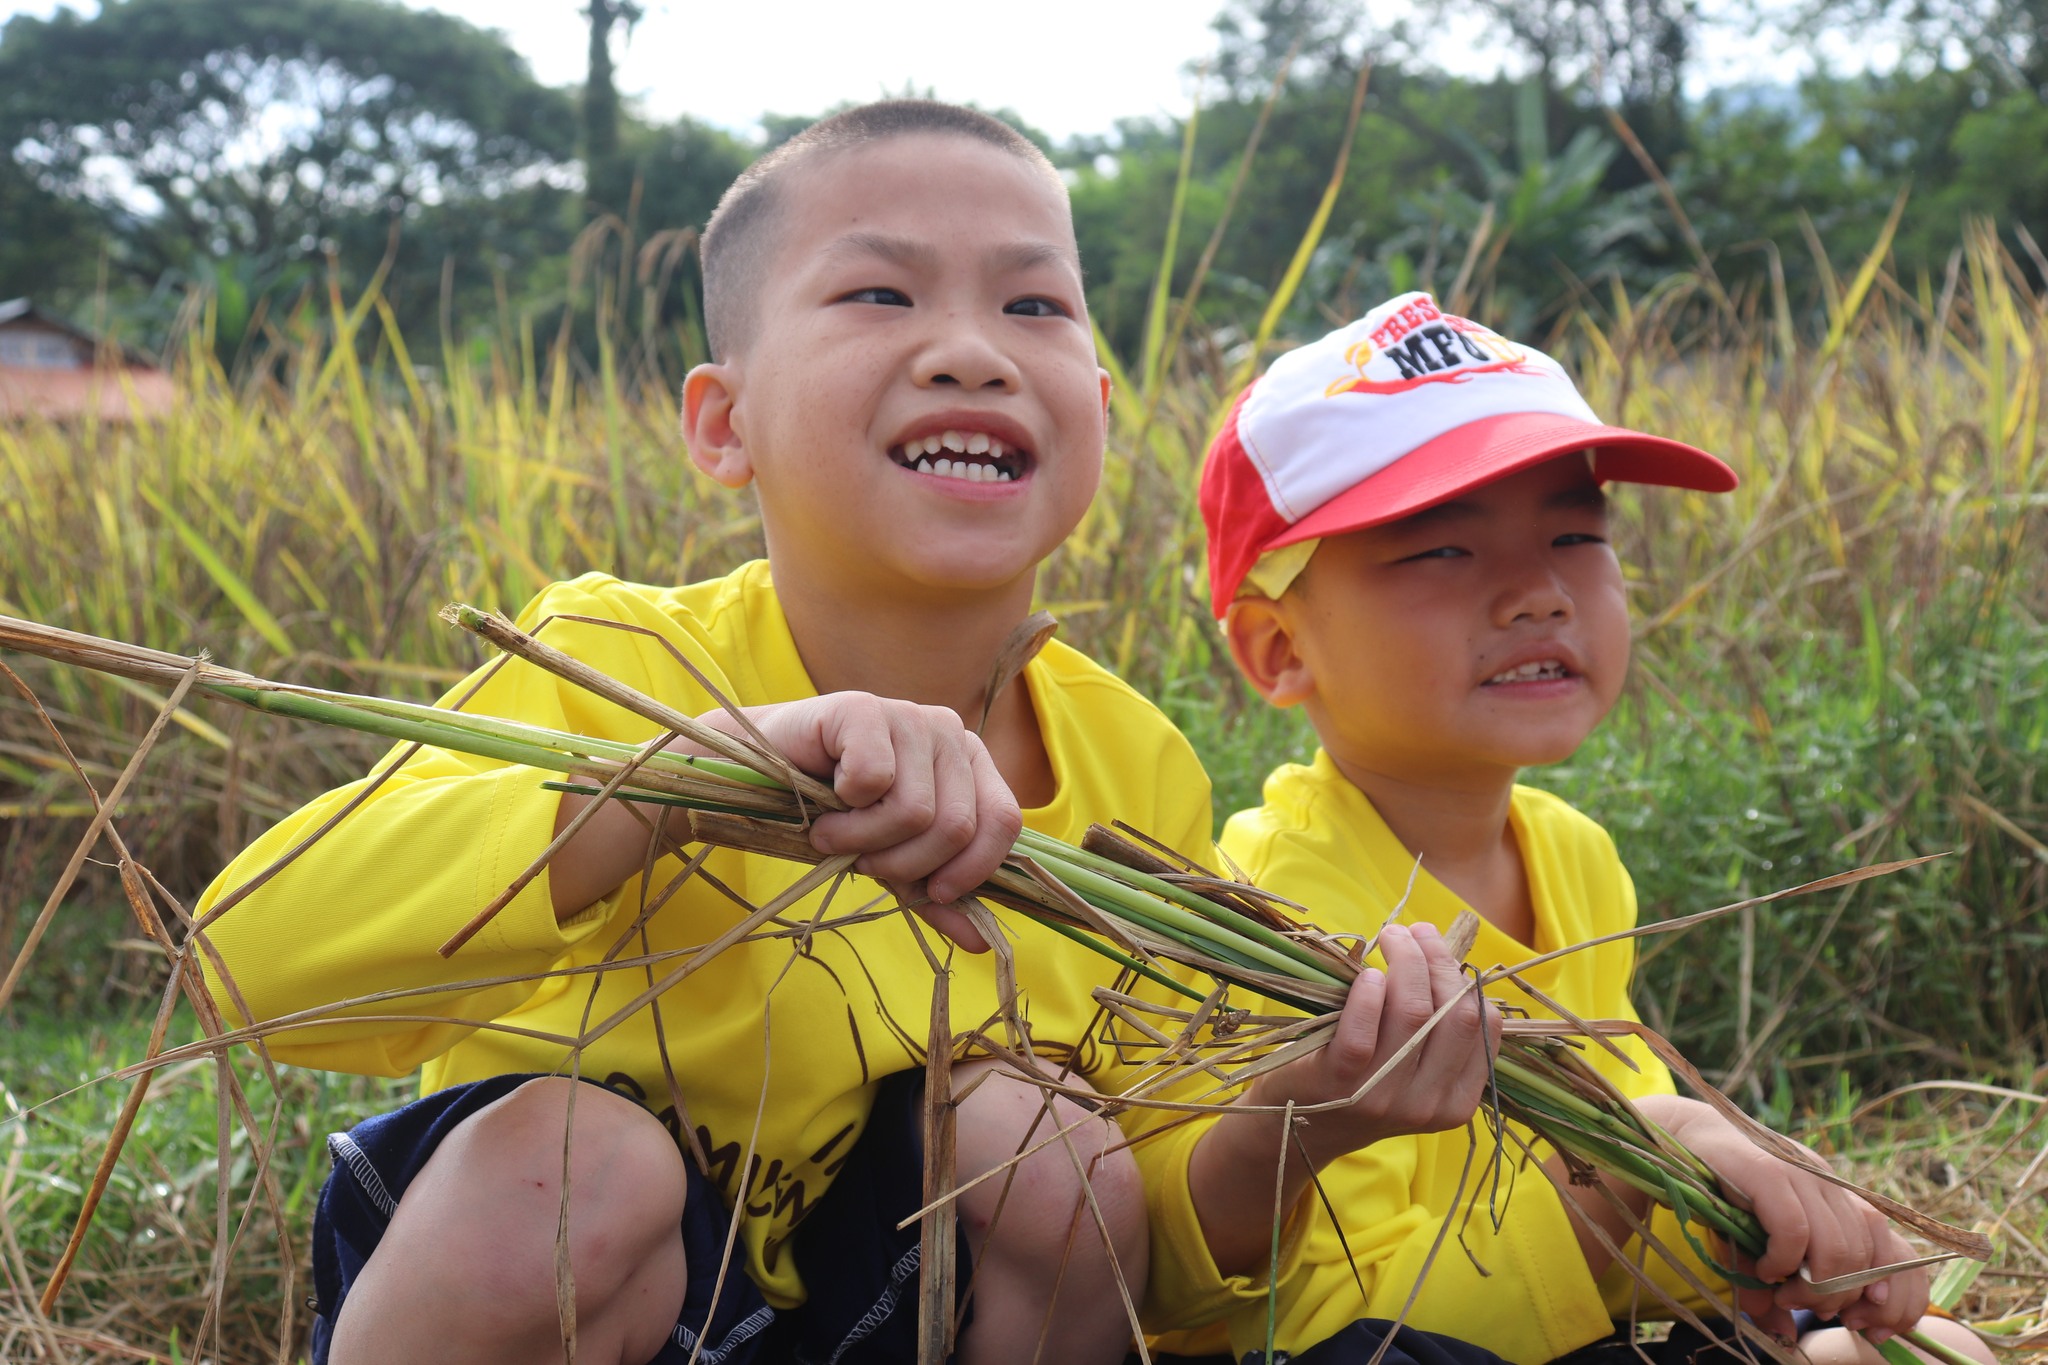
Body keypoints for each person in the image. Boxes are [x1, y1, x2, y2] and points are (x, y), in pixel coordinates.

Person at [194, 101, 1215, 1365]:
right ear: (722, 425)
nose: (970, 353)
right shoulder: (616, 665)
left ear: (1101, 414)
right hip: (578, 1293)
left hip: (879, 1309)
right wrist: (679, 781)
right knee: (576, 1169)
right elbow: (247, 969)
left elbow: (1170, 1247)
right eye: (881, 295)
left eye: (1035, 308)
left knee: (1054, 1152)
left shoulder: (1135, 770)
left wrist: (1322, 1106)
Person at [1134, 293, 1994, 1365]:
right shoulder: (1274, 916)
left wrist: (1768, 1230)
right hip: (1401, 1345)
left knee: (1914, 1348)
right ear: (1274, 649)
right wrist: (1656, 1150)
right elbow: (1339, 1324)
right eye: (1440, 550)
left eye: (1573, 535)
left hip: (1545, 1325)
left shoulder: (1570, 856)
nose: (1535, 593)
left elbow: (1623, 1204)